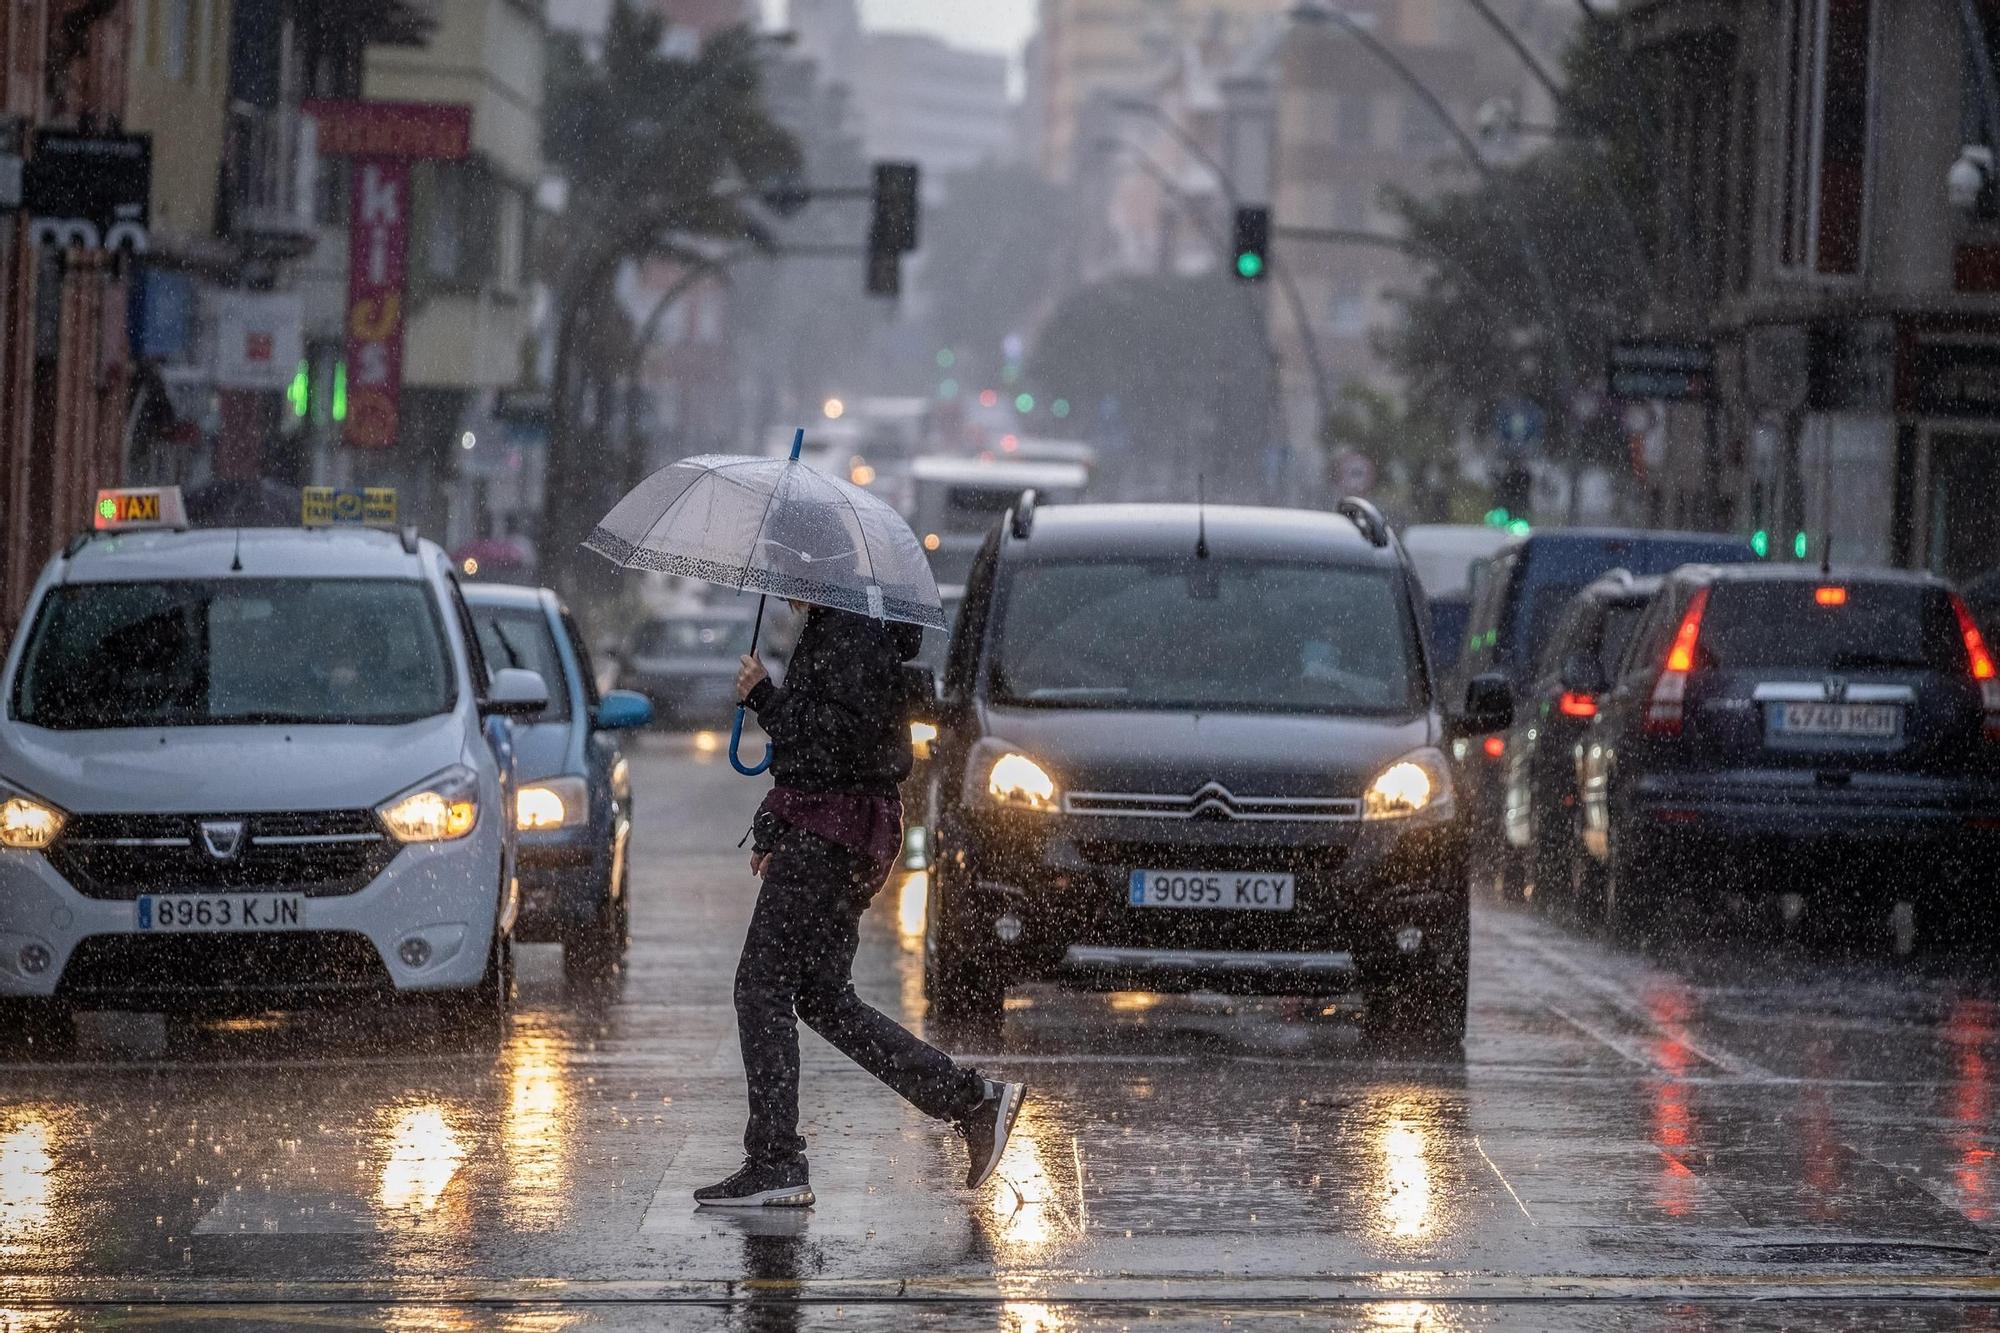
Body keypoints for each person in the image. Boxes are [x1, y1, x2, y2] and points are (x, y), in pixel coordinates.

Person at [693, 599, 1026, 1209]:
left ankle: (776, 1162)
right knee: (822, 998)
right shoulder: (836, 627)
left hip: (833, 835)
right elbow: (816, 755)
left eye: (789, 568)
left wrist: (765, 696)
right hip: (833, 830)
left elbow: (838, 742)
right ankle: (973, 1104)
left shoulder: (851, 633)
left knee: (761, 986)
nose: (784, 585)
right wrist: (773, 825)